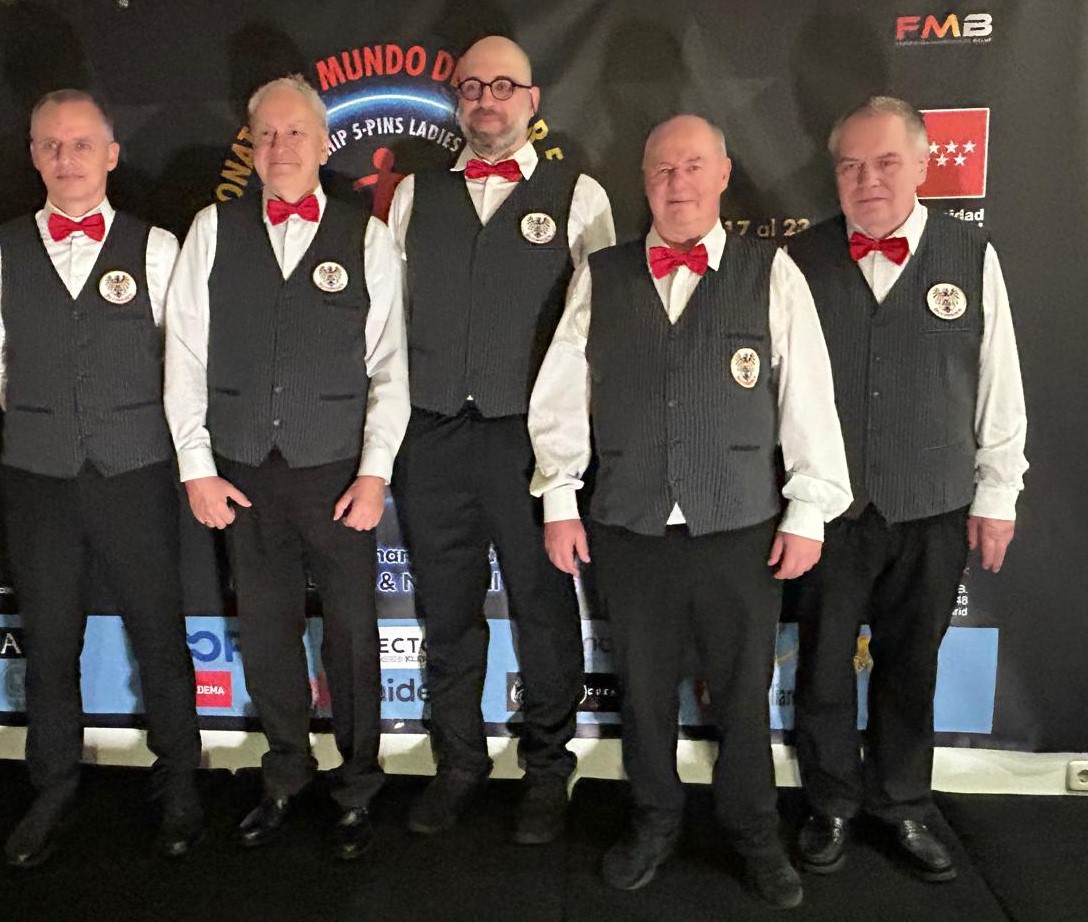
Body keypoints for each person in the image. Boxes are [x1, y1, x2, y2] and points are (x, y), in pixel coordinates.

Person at [529, 114, 852, 909]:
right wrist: (560, 498)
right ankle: (654, 819)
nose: (678, 183)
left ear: (722, 175)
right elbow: (562, 396)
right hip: (630, 526)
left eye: (693, 167)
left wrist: (809, 509)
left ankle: (753, 829)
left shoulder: (770, 272)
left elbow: (807, 397)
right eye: (663, 170)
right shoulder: (602, 275)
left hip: (739, 528)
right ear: (645, 183)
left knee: (742, 694)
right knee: (642, 693)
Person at [163, 74, 409, 861]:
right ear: (251, 145)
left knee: (353, 638)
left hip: (335, 471)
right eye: (266, 133)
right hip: (241, 471)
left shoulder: (366, 237)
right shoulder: (212, 228)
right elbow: (184, 353)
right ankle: (284, 775)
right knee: (266, 634)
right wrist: (196, 466)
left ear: (323, 142)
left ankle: (358, 788)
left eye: (295, 131)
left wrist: (374, 472)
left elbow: (391, 365)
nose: (280, 146)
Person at [786, 96, 1027, 882]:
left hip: (933, 505)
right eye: (851, 166)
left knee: (911, 665)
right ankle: (829, 802)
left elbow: (998, 385)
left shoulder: (971, 254)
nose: (869, 180)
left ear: (924, 164)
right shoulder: (798, 260)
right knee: (823, 665)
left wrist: (997, 495)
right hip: (830, 510)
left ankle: (903, 803)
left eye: (887, 162)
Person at [386, 34, 615, 844]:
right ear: (457, 99)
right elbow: (390, 323)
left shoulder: (580, 196)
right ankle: (458, 763)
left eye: (503, 86)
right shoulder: (415, 195)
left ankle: (547, 770)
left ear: (533, 100)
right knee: (445, 613)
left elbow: (598, 333)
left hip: (531, 445)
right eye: (472, 86)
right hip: (432, 437)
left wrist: (568, 458)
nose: (486, 100)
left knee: (543, 611)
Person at [0, 89, 202, 868]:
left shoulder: (158, 248)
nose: (66, 158)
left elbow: (182, 366)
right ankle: (54, 790)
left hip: (135, 470)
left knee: (160, 635)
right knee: (48, 641)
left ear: (111, 154)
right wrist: (55, 422)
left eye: (81, 144)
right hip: (38, 476)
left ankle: (179, 783)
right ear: (34, 155)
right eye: (50, 144)